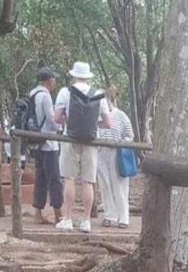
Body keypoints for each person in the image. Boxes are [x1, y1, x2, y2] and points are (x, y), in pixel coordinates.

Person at [53, 60, 112, 233]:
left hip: (70, 138)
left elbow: (57, 118)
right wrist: (94, 127)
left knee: (69, 179)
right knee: (88, 181)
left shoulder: (65, 92)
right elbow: (107, 122)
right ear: (88, 77)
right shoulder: (99, 95)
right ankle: (86, 221)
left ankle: (68, 218)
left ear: (74, 75)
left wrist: (68, 121)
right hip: (92, 141)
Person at [97, 86, 135, 228]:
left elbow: (130, 135)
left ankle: (123, 217)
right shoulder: (97, 116)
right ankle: (109, 215)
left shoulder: (121, 116)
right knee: (105, 184)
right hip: (101, 151)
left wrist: (123, 143)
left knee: (119, 185)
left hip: (116, 152)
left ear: (110, 98)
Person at [29, 67, 63, 226]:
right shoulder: (46, 96)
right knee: (54, 178)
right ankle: (58, 214)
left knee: (40, 178)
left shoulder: (32, 93)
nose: (55, 82)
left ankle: (38, 213)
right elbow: (51, 119)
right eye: (54, 80)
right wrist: (60, 127)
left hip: (36, 142)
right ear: (49, 80)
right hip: (49, 143)